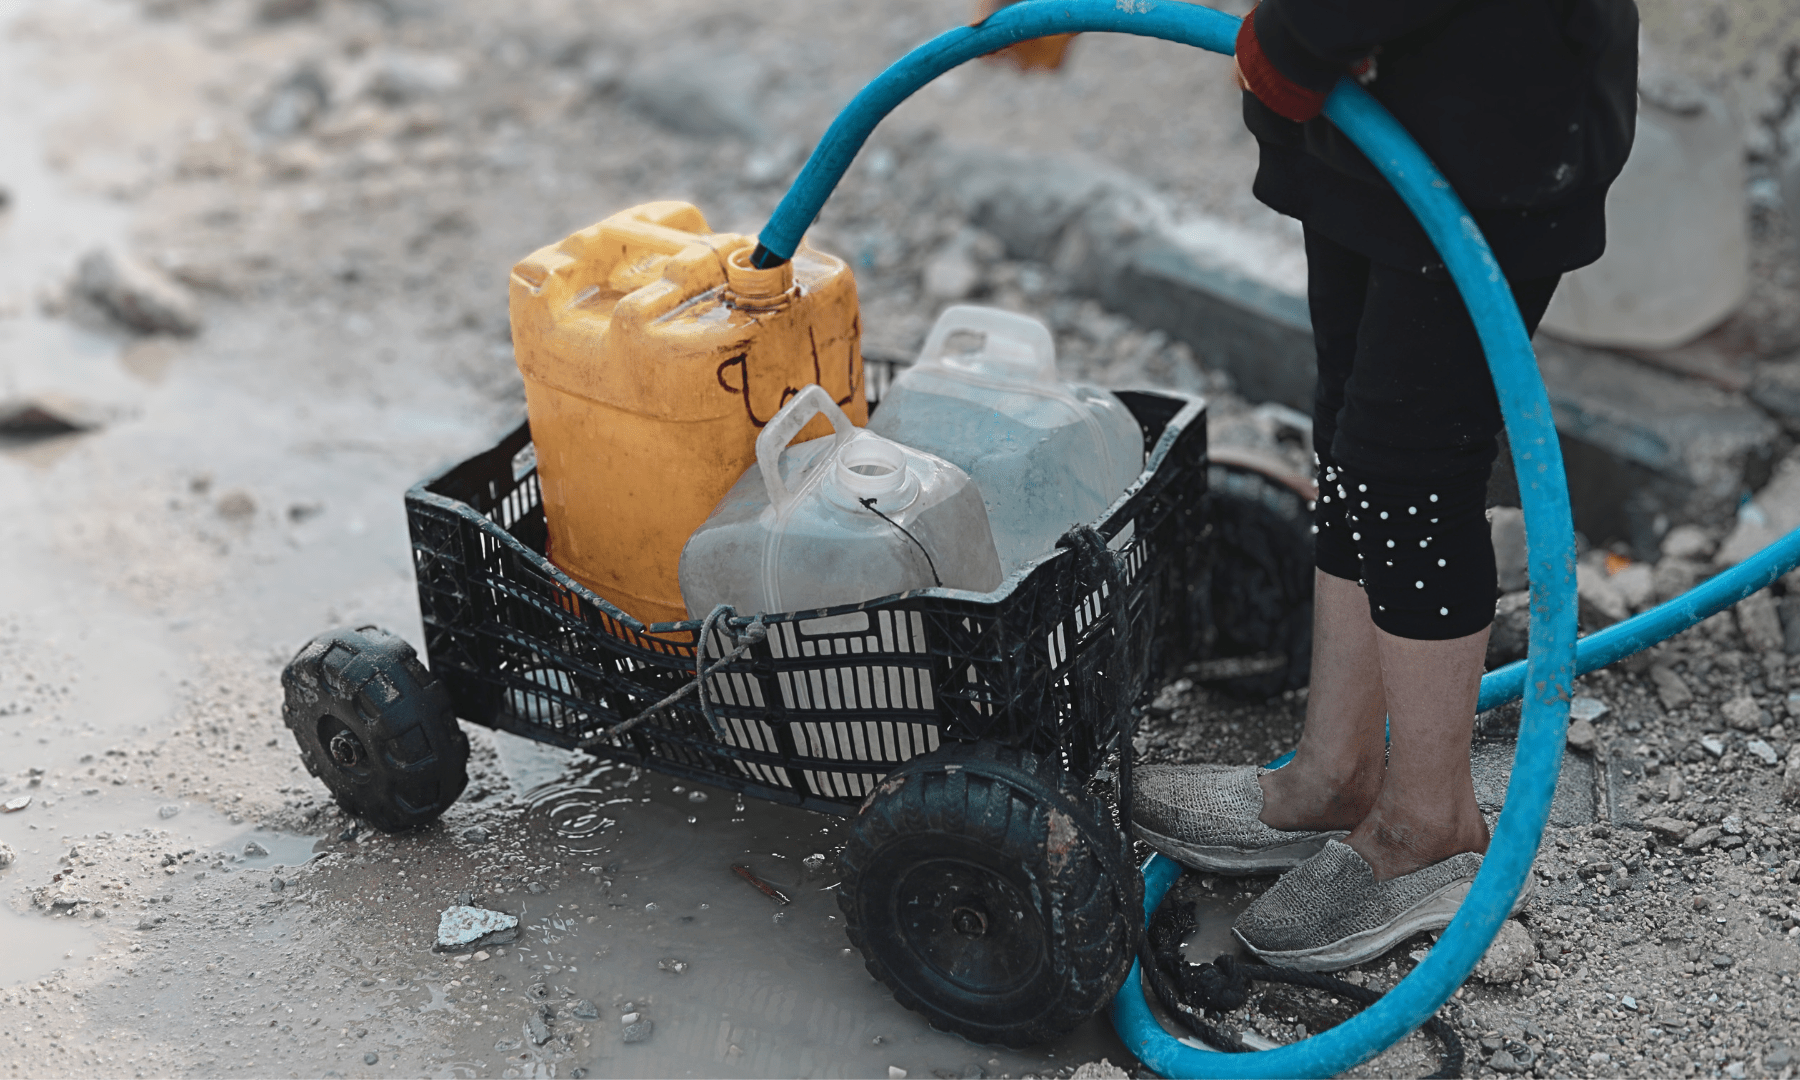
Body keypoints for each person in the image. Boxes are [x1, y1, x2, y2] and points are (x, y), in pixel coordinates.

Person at [1132, 0, 1639, 971]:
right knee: (1353, 444)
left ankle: (1429, 824)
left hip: (1487, 113)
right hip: (1378, 105)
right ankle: (1337, 773)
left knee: (1409, 466)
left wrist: (1298, 35)